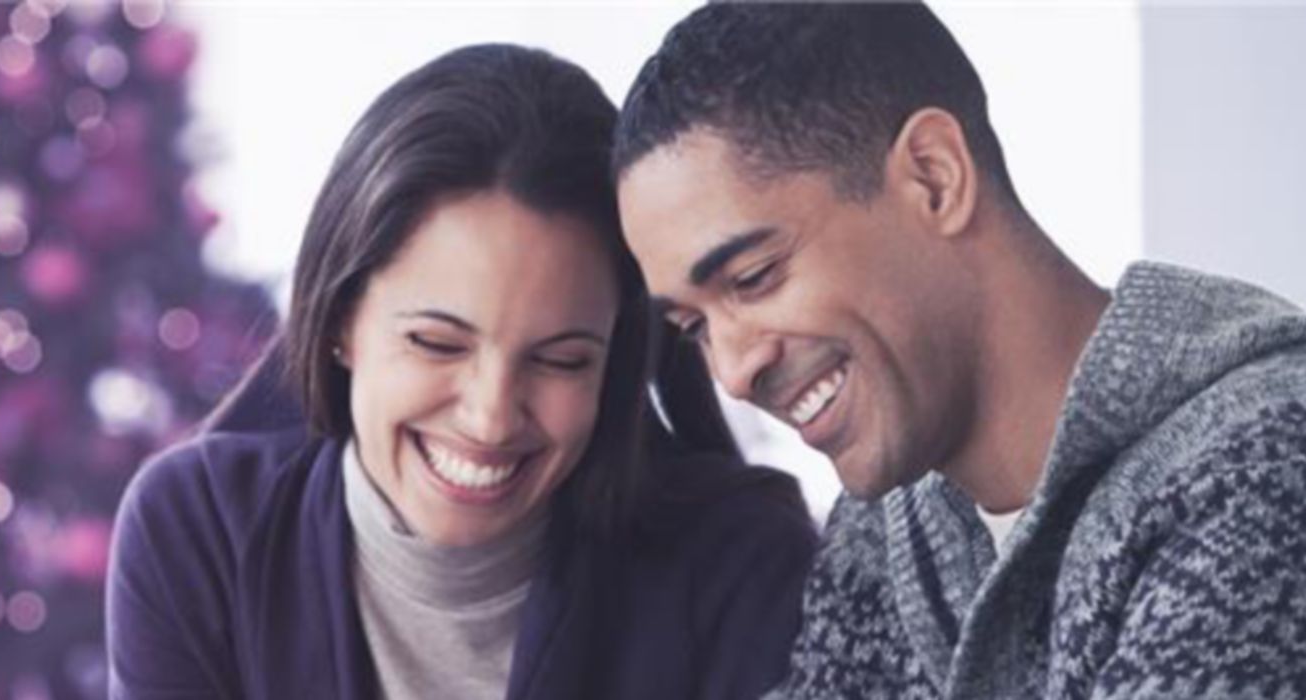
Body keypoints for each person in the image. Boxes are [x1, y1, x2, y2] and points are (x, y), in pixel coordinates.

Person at [609, 3, 1306, 698]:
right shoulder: (888, 530)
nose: (734, 372)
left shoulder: (1282, 459)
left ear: (934, 176)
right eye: (694, 329)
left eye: (754, 277)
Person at [105, 44, 816, 700]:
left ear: (618, 362)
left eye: (561, 360)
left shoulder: (740, 565)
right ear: (340, 322)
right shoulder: (199, 535)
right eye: (438, 344)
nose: (491, 416)